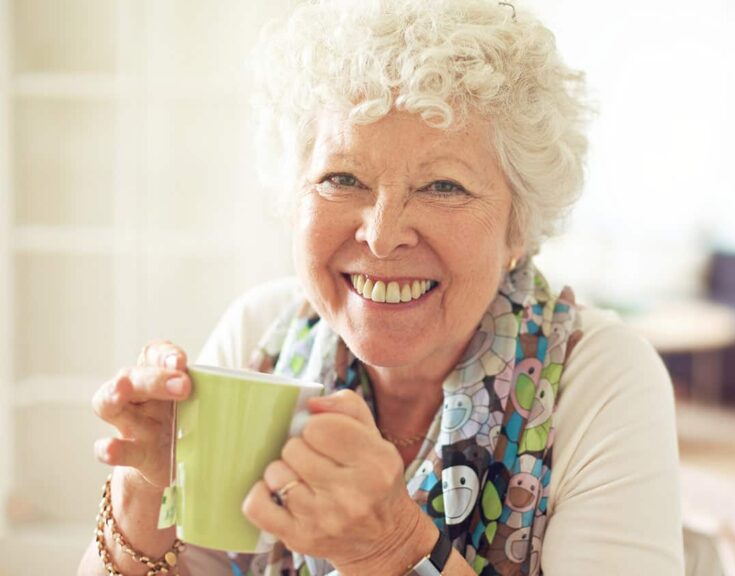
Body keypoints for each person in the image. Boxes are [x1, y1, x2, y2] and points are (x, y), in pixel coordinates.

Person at [79, 0, 684, 574]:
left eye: (443, 186)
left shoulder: (600, 378)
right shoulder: (261, 336)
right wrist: (144, 492)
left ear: (517, 226)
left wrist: (389, 546)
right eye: (342, 177)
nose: (382, 234)